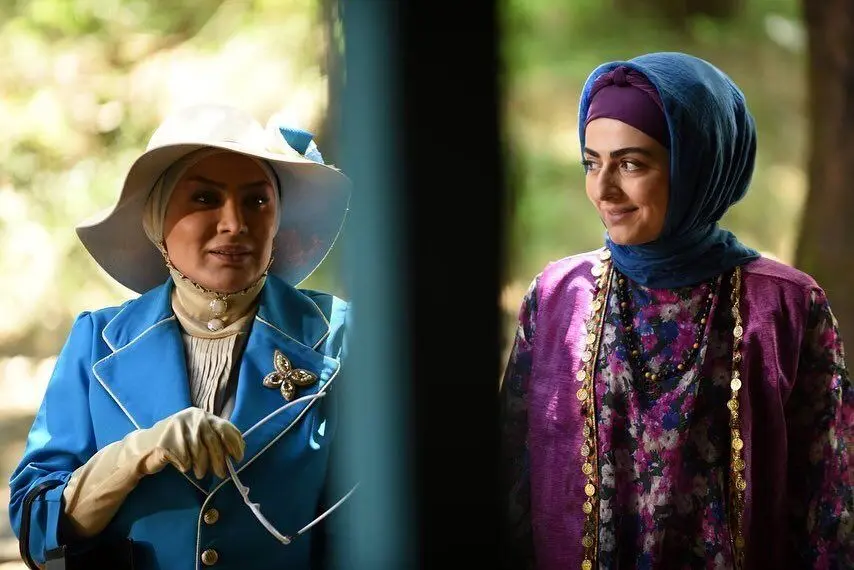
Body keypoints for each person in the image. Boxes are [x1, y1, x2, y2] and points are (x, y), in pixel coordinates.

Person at [500, 52, 854, 569]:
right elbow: (512, 482)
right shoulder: (557, 298)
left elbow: (828, 505)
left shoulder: (784, 305)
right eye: (591, 163)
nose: (603, 189)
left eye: (631, 164)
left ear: (696, 165)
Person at [8, 103, 354, 569]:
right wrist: (134, 455)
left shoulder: (341, 334)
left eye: (257, 202)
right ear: (158, 221)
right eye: (205, 198)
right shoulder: (96, 340)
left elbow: (381, 514)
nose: (235, 224)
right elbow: (36, 528)